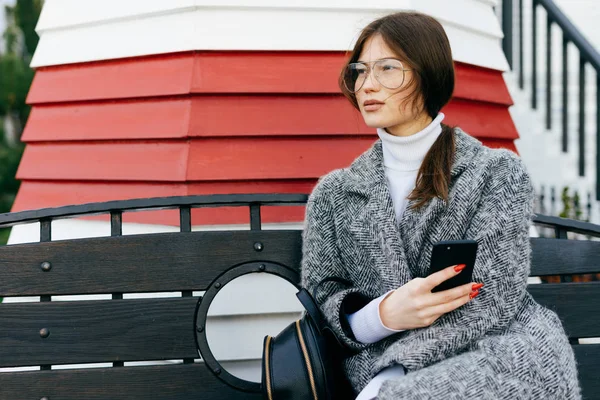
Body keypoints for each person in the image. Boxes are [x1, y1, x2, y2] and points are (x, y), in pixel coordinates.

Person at [300, 11, 580, 400]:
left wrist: (394, 376)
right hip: (382, 359)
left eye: (388, 68)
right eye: (360, 71)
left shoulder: (495, 173)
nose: (367, 84)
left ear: (426, 73)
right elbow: (323, 297)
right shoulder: (334, 194)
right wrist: (383, 315)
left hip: (497, 352)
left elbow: (494, 301)